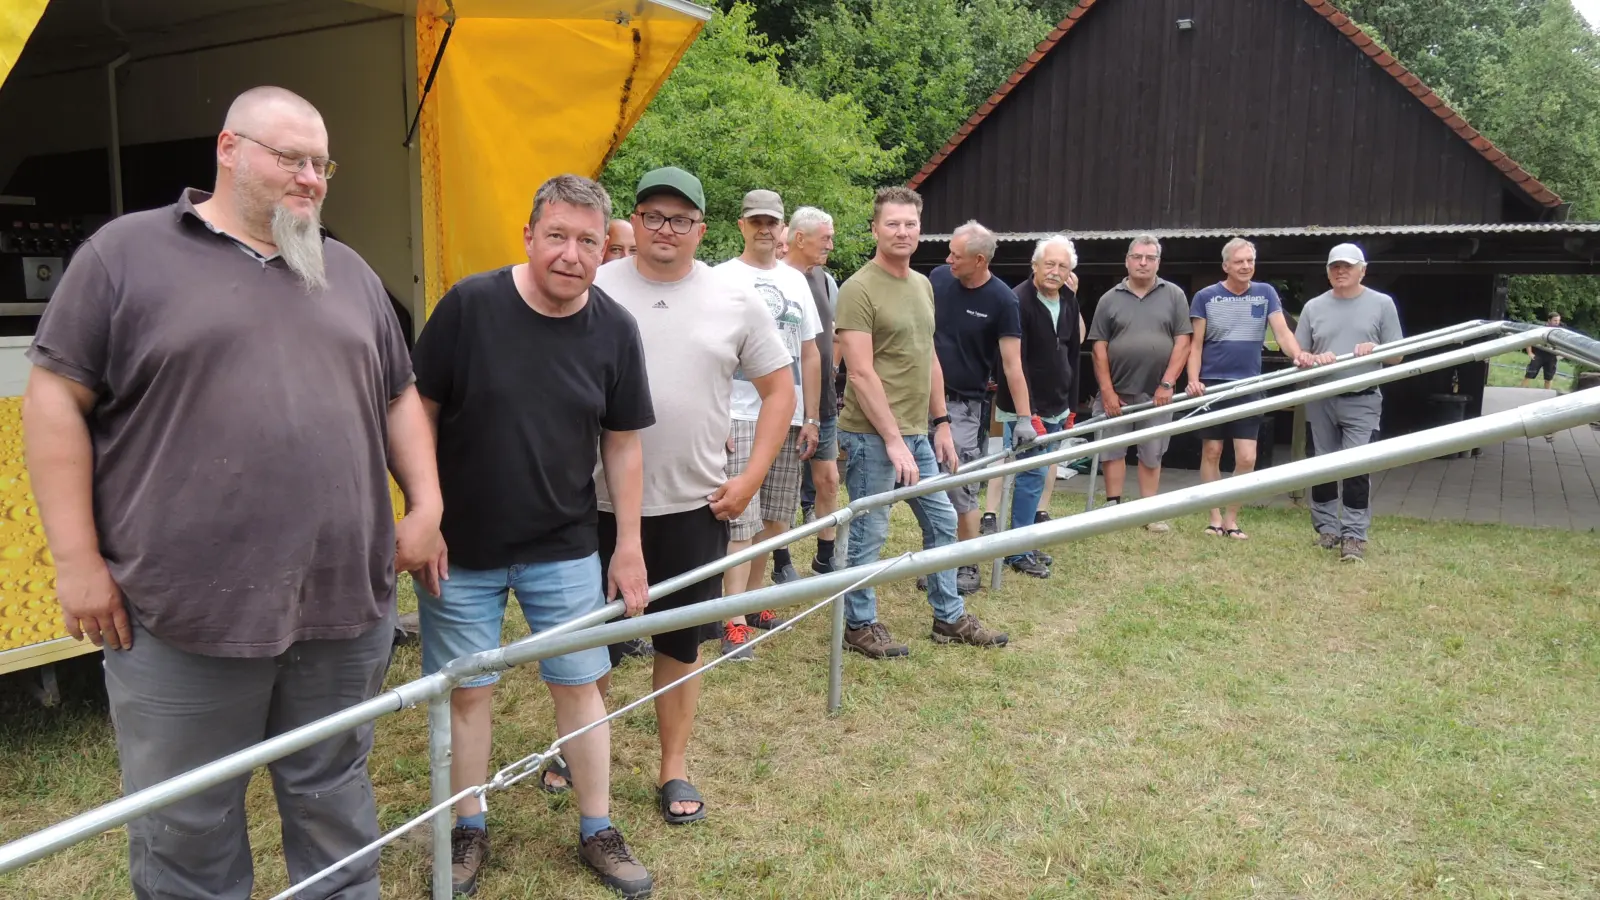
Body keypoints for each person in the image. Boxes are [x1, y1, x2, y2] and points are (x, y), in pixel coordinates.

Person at [21, 86, 442, 900]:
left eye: (322, 165)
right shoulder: (124, 255)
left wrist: (426, 504)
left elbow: (399, 395)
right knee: (187, 824)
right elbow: (54, 400)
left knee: (334, 802)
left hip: (341, 608)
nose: (312, 178)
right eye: (292, 159)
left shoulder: (348, 271)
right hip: (182, 612)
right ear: (229, 149)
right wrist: (75, 560)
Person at [410, 175, 655, 897]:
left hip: (565, 544)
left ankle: (597, 827)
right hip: (462, 547)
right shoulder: (468, 307)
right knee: (468, 695)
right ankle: (467, 827)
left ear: (604, 248)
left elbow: (623, 444)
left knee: (581, 687)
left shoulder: (615, 329)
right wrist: (424, 512)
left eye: (588, 242)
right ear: (528, 236)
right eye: (557, 236)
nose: (571, 255)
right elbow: (418, 411)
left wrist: (629, 544)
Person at [593, 166, 793, 824]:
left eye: (681, 219)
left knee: (680, 644)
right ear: (635, 220)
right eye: (653, 216)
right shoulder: (595, 287)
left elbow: (780, 390)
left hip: (694, 504)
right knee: (588, 645)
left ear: (702, 230)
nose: (666, 230)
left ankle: (673, 765)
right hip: (593, 503)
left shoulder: (734, 298)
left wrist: (752, 477)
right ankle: (576, 749)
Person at [835, 186, 1008, 659]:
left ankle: (948, 616)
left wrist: (942, 422)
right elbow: (861, 372)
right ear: (875, 229)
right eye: (892, 223)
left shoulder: (923, 284)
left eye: (910, 224)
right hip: (872, 436)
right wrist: (893, 440)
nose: (902, 232)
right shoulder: (858, 289)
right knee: (869, 534)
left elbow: (928, 355)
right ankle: (859, 626)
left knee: (943, 521)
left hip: (917, 433)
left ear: (920, 229)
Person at [712, 189, 819, 661]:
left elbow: (810, 352)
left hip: (788, 415)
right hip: (737, 410)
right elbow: (706, 352)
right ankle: (730, 618)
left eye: (771, 222)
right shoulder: (719, 278)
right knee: (740, 517)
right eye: (755, 221)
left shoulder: (797, 281)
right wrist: (713, 414)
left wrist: (811, 416)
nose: (764, 229)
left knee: (774, 517)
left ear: (782, 229)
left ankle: (754, 601)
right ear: (741, 225)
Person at [930, 220, 1035, 593]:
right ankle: (935, 562)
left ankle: (967, 564)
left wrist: (1024, 418)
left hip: (964, 404)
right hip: (922, 398)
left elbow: (1012, 364)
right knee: (928, 488)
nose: (948, 260)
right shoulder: (938, 279)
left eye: (956, 256)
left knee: (959, 487)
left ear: (979, 260)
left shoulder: (1002, 300)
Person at [1184, 238, 1310, 540]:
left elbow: (1282, 333)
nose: (1245, 266)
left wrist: (1298, 355)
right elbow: (1195, 345)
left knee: (1246, 457)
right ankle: (1214, 517)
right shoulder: (1205, 296)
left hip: (1249, 384)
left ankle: (1232, 519)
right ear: (1226, 265)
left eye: (1250, 261)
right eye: (1239, 261)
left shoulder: (1265, 293)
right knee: (1212, 450)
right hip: (1213, 385)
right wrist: (1193, 379)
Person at [1297, 242, 1404, 562]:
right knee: (1322, 466)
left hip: (1363, 398)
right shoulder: (1313, 307)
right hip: (1321, 397)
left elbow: (1398, 355)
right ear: (1328, 272)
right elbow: (1299, 356)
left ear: (1362, 270)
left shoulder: (1382, 304)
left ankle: (1354, 535)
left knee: (1357, 466)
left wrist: (1376, 349)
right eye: (1335, 267)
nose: (1340, 271)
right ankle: (1327, 529)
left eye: (1347, 266)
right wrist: (1312, 359)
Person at [990, 235, 1087, 578]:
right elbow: (1015, 364)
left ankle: (1026, 543)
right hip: (1027, 409)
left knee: (1041, 472)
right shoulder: (1018, 301)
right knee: (1030, 475)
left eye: (1063, 266)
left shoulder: (1069, 299)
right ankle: (1016, 550)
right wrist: (1027, 414)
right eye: (1049, 264)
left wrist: (1072, 405)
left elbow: (1073, 354)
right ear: (1035, 265)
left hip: (1058, 403)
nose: (1055, 271)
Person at [1086, 235, 1193, 530]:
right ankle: (1113, 508)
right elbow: (1098, 348)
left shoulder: (1174, 295)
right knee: (1112, 449)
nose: (1143, 263)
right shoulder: (1109, 298)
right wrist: (1107, 391)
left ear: (1158, 262)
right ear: (1127, 260)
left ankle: (1148, 513)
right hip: (1116, 391)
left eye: (1150, 258)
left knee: (1152, 451)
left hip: (1157, 392)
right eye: (1137, 257)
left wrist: (1168, 383)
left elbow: (1183, 342)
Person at [779, 206, 842, 578]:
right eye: (826, 238)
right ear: (799, 239)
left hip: (823, 401)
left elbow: (831, 335)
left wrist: (831, 372)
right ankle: (781, 560)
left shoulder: (824, 280)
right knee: (782, 486)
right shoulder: (774, 278)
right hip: (783, 400)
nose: (831, 245)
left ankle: (824, 556)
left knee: (829, 480)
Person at [1522, 311, 1563, 390]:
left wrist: (1561, 355)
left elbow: (1564, 344)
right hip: (1539, 354)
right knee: (1529, 374)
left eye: (1558, 320)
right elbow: (1529, 339)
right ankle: (1520, 391)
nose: (1557, 322)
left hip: (1552, 356)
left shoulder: (1559, 332)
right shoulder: (1541, 329)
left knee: (1549, 378)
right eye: (1555, 320)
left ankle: (1547, 394)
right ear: (1549, 320)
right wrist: (1529, 352)